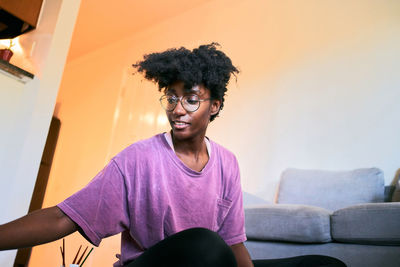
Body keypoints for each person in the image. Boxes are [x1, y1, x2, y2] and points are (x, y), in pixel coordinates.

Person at [0, 43, 345, 267]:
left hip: (209, 260)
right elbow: (64, 218)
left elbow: (234, 245)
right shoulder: (138, 159)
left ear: (215, 106)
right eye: (171, 97)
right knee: (206, 247)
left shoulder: (227, 164)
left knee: (325, 266)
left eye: (191, 99)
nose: (178, 109)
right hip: (152, 264)